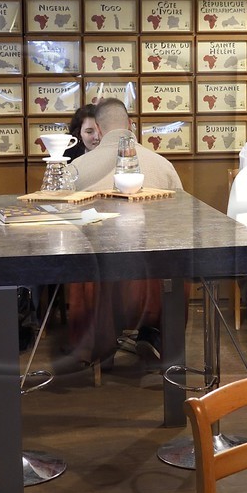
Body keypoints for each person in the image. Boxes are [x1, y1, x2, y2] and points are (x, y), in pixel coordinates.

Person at [65, 98, 181, 367]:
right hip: (153, 272)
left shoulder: (77, 169)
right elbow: (180, 219)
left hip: (96, 276)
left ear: (101, 130)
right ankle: (154, 334)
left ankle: (99, 346)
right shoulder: (162, 165)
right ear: (131, 125)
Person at [71, 97, 182, 192]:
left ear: (98, 128)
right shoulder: (164, 165)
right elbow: (181, 210)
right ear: (129, 124)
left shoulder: (75, 168)